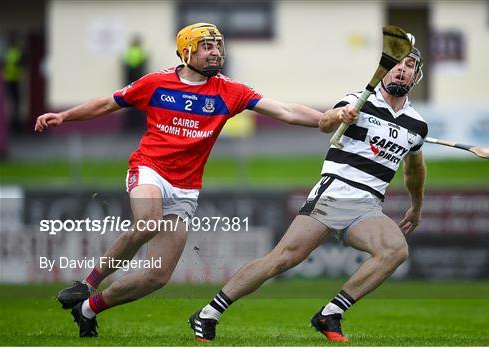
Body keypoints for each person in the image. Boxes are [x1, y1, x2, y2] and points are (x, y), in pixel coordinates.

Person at [34, 22, 322, 338]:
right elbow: (106, 103)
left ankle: (88, 308)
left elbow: (286, 111)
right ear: (186, 51)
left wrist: (326, 119)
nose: (216, 53)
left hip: (186, 187)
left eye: (218, 46)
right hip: (149, 169)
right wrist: (63, 116)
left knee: (157, 275)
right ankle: (87, 283)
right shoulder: (155, 83)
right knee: (148, 222)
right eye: (207, 47)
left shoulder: (230, 91)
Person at [189, 34, 427, 343]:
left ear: (415, 76)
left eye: (409, 66)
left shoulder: (416, 125)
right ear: (386, 69)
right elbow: (326, 123)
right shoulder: (358, 100)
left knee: (394, 251)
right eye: (396, 64)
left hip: (368, 205)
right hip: (334, 193)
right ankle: (209, 313)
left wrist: (417, 206)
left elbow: (414, 169)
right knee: (282, 259)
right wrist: (339, 115)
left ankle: (331, 313)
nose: (401, 70)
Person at [122, 35, 147, 131]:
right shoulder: (141, 51)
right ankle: (139, 124)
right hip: (139, 79)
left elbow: (125, 65)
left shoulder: (128, 51)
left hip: (129, 80)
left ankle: (130, 125)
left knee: (129, 101)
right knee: (140, 102)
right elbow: (143, 64)